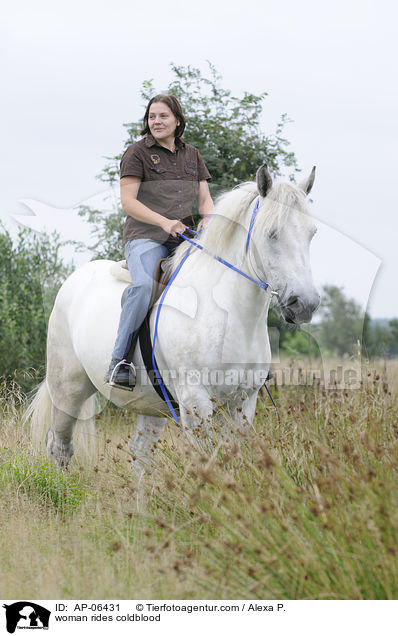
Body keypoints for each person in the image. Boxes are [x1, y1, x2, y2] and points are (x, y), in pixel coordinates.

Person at [106, 94, 213, 390]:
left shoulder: (193, 154)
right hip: (146, 237)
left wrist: (209, 219)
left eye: (163, 116)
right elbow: (128, 202)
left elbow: (205, 200)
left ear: (177, 120)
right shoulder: (136, 153)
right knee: (142, 287)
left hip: (185, 239)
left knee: (223, 276)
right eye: (152, 116)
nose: (156, 121)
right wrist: (165, 222)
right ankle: (120, 361)